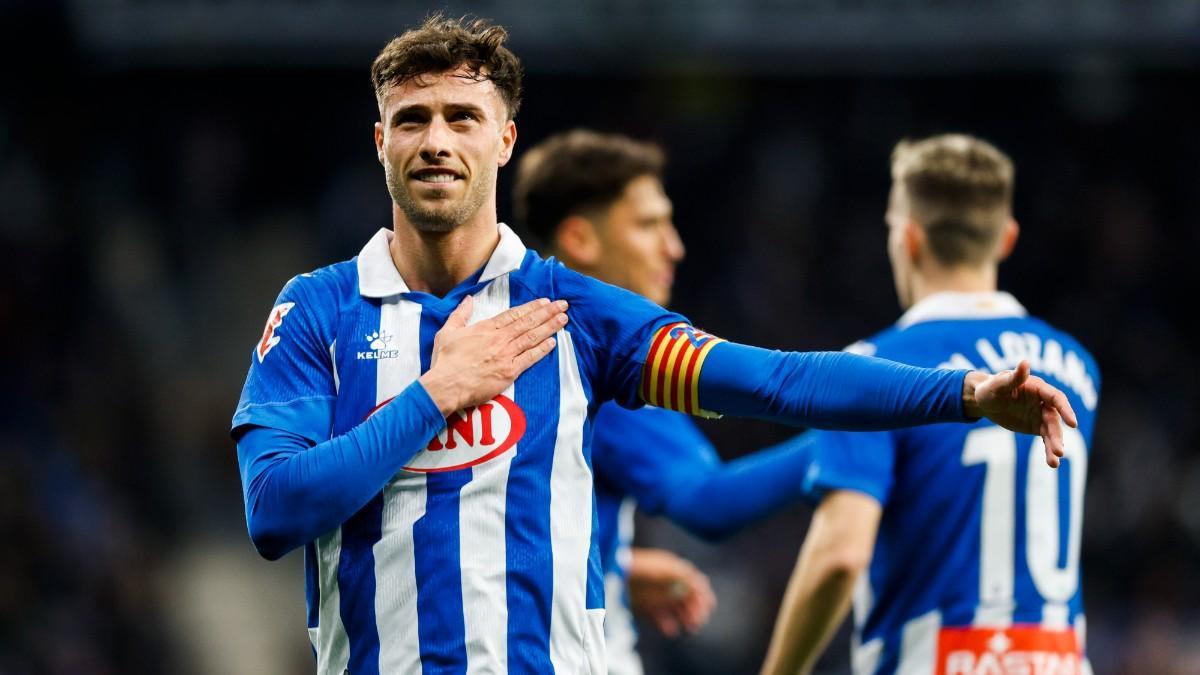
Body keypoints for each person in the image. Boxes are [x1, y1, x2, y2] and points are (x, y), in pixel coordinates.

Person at [230, 16, 1077, 674]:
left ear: (505, 139)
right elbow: (274, 510)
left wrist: (963, 395)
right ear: (381, 143)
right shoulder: (317, 311)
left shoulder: (578, 315)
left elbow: (775, 381)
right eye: (411, 120)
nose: (437, 141)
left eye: (462, 116)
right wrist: (437, 393)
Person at [760, 134, 1100, 675]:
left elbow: (841, 556)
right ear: (1006, 239)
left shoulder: (872, 369)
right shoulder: (1075, 366)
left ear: (909, 240)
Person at [514, 128, 818, 675]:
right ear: (581, 239)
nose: (673, 246)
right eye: (649, 224)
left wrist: (619, 568)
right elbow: (709, 500)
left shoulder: (510, 338)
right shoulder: (588, 360)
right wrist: (858, 434)